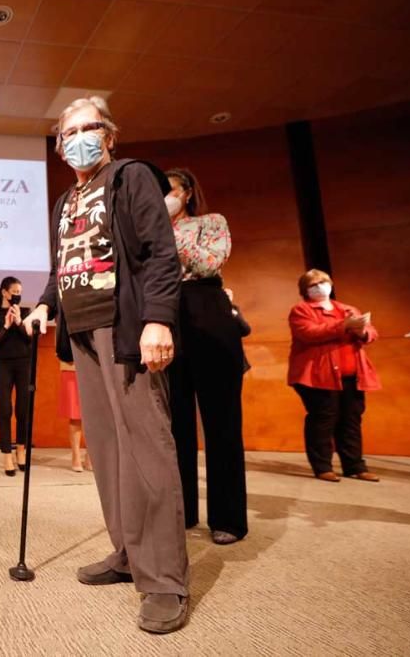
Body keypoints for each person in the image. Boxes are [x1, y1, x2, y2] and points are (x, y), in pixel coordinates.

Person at [23, 97, 189, 634]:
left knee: (147, 451)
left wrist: (158, 319)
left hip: (126, 330)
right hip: (83, 337)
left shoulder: (131, 177)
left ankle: (164, 579)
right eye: (69, 132)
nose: (79, 138)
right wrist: (46, 303)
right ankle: (126, 551)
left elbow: (161, 251)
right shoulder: (65, 201)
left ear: (110, 136)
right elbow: (62, 265)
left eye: (89, 127)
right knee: (110, 453)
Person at [163, 168, 248, 546]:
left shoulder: (211, 222)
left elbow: (209, 264)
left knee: (221, 422)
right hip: (166, 318)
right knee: (175, 424)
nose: (162, 197)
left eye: (169, 190)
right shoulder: (148, 229)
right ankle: (183, 511)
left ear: (187, 192)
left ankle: (228, 518)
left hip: (208, 311)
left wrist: (171, 233)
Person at [288, 269, 380, 483]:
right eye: (314, 285)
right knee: (323, 419)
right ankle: (322, 466)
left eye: (323, 282)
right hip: (317, 376)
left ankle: (355, 466)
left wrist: (361, 331)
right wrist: (343, 326)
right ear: (305, 290)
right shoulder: (301, 310)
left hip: (352, 375)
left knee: (351, 419)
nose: (320, 287)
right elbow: (309, 333)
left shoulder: (347, 309)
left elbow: (372, 332)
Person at [0, 276, 31, 476]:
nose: (17, 297)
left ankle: (21, 450)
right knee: (5, 408)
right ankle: (7, 455)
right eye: (14, 293)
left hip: (24, 363)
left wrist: (19, 321)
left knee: (23, 409)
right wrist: (5, 325)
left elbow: (31, 337)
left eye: (20, 293)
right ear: (4, 292)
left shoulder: (27, 312)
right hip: (3, 365)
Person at [57, 361, 92, 472]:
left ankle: (90, 456)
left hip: (94, 368)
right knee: (75, 414)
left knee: (93, 416)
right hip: (72, 366)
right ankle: (76, 456)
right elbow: (59, 347)